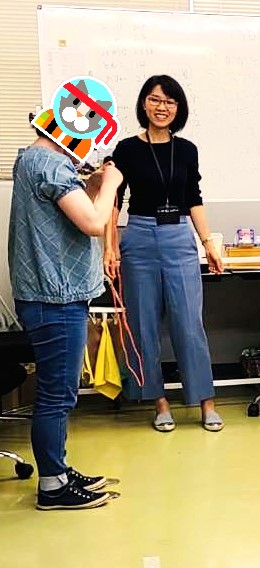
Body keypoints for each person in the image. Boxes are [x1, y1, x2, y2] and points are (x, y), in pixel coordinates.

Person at [9, 122, 123, 509]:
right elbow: (93, 223)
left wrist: (92, 185)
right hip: (55, 299)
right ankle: (53, 487)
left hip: (49, 295)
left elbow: (76, 209)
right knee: (57, 396)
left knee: (58, 393)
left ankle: (57, 469)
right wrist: (111, 185)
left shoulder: (33, 159)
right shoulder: (52, 165)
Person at [104, 75, 225, 433]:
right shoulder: (126, 149)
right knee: (142, 326)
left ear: (178, 108)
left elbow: (193, 198)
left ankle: (206, 401)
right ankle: (158, 402)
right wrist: (109, 247)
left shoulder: (186, 150)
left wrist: (208, 243)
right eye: (155, 100)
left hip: (178, 237)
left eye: (170, 102)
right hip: (139, 237)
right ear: (144, 104)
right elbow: (114, 202)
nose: (162, 107)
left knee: (189, 323)